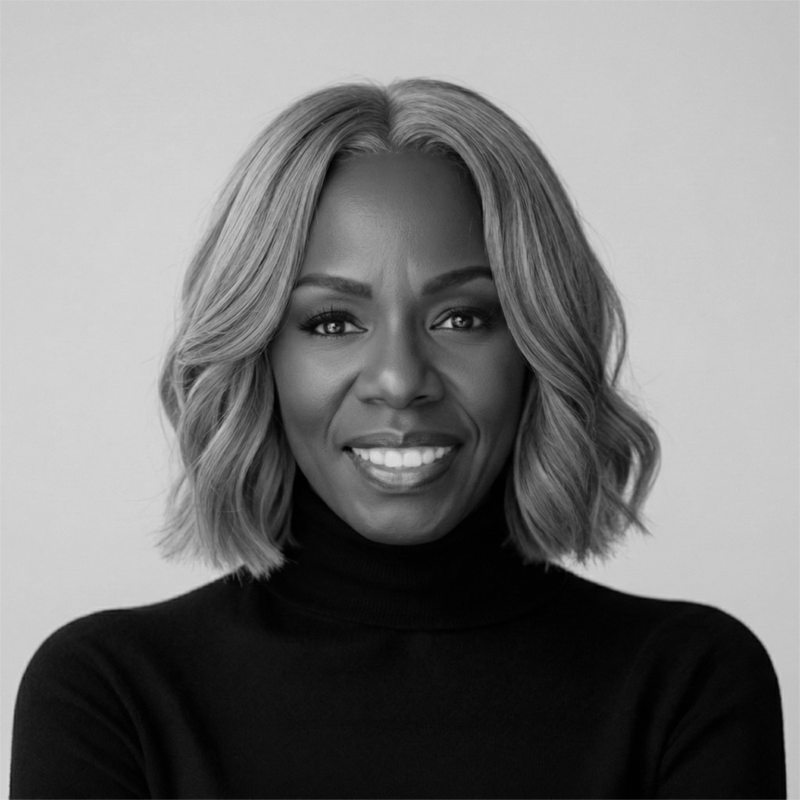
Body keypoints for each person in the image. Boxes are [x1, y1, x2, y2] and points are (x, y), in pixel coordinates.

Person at [11, 79, 785, 799]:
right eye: (332, 322)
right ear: (258, 356)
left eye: (461, 318)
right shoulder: (111, 696)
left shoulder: (687, 684)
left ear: (537, 346)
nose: (399, 377)